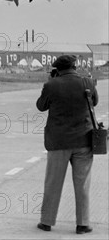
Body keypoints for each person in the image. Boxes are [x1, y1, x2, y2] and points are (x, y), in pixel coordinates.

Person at [36, 55, 98, 234]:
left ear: (58, 69)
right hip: (83, 141)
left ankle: (46, 222)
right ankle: (83, 224)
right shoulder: (87, 82)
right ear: (74, 67)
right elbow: (94, 102)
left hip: (58, 142)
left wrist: (49, 83)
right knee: (82, 184)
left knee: (53, 183)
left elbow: (41, 106)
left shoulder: (51, 85)